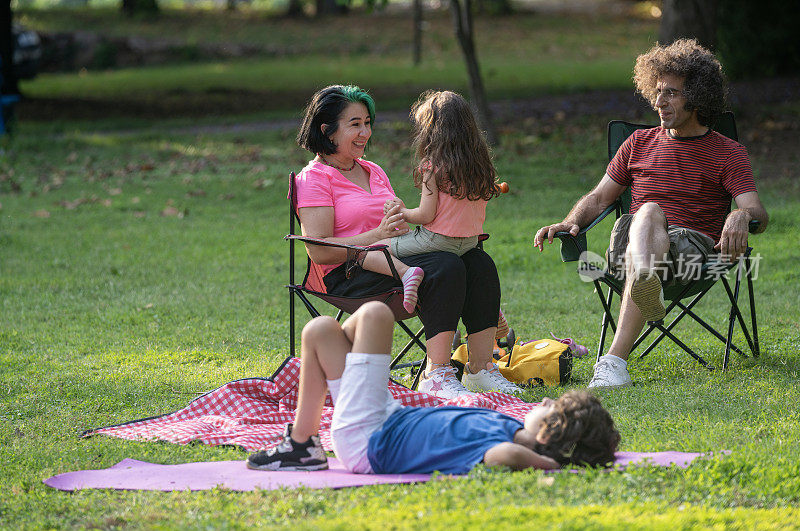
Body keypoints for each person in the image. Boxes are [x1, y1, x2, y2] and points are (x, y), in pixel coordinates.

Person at [533, 39, 769, 389]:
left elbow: (756, 213)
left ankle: (616, 355)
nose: (659, 102)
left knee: (649, 212)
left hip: (691, 257)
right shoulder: (638, 143)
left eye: (671, 93)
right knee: (647, 214)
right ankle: (644, 290)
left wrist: (738, 216)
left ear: (698, 97)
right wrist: (571, 223)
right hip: (629, 249)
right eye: (657, 92)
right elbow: (599, 199)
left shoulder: (726, 152)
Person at [294, 84, 520, 399]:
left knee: (478, 262)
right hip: (351, 275)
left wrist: (401, 219)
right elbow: (318, 251)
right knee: (446, 265)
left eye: (367, 123)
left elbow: (395, 218)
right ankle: (437, 374)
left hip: (398, 261)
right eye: (355, 124)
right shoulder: (314, 179)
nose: (365, 132)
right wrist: (378, 235)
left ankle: (481, 369)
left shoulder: (373, 171)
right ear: (328, 131)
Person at [246, 302, 620, 474]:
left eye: (551, 409)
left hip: (371, 437)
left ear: (549, 435)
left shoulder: (503, 446)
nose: (546, 399)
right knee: (320, 331)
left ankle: (299, 446)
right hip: (384, 419)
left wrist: (546, 462)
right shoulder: (509, 428)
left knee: (376, 314)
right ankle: (302, 444)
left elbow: (504, 458)